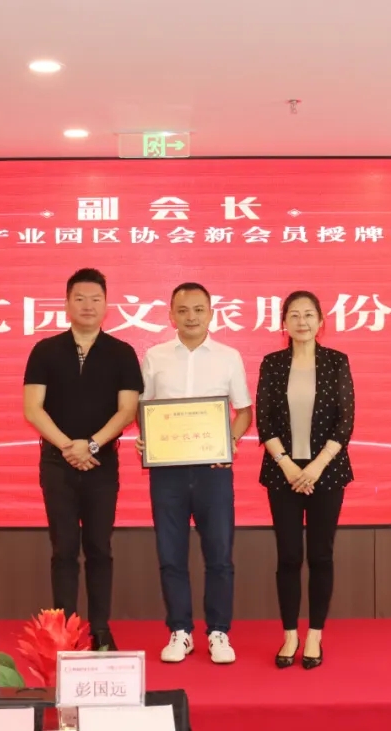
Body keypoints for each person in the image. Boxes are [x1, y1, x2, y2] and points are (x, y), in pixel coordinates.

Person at [23, 268, 144, 651]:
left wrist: (91, 446)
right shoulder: (45, 350)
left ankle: (101, 629)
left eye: (95, 299)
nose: (88, 306)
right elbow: (33, 408)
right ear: (66, 304)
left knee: (98, 548)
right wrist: (68, 447)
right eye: (80, 298)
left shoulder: (122, 353)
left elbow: (127, 411)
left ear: (106, 305)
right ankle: (64, 631)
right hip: (57, 464)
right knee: (63, 549)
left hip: (102, 464)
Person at [137, 282, 253, 664]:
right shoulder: (154, 356)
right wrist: (147, 438)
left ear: (211, 314)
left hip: (212, 470)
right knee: (171, 553)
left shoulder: (228, 357)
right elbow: (142, 407)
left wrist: (229, 443)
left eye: (199, 309)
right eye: (183, 310)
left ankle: (219, 632)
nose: (191, 317)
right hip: (167, 471)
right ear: (171, 315)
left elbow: (244, 412)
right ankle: (180, 631)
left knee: (219, 554)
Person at [255, 290, 355, 670]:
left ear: (321, 321)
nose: (302, 321)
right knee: (289, 556)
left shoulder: (336, 362)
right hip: (282, 473)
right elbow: (264, 420)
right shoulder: (272, 364)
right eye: (294, 315)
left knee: (320, 555)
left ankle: (314, 633)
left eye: (309, 314)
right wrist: (287, 465)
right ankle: (289, 634)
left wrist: (315, 467)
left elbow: (345, 420)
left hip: (326, 472)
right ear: (284, 323)